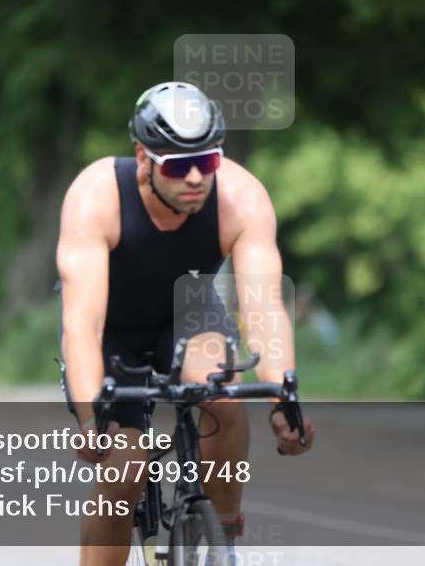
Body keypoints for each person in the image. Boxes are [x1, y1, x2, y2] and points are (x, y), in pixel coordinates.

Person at [56, 81, 315, 566]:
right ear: (143, 157)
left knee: (225, 391)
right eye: (177, 164)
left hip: (187, 315)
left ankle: (223, 539)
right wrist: (92, 420)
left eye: (209, 161)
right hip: (112, 329)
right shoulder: (97, 196)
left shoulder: (241, 197)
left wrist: (283, 399)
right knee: (122, 470)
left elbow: (263, 310)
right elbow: (83, 324)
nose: (196, 176)